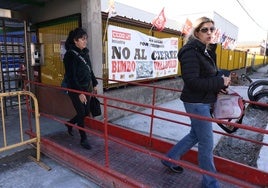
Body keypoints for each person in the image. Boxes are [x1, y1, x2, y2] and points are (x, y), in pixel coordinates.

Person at [161, 17, 231, 188]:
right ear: (196, 32)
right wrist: (220, 83)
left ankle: (169, 159)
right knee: (206, 143)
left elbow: (207, 76)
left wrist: (219, 85)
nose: (209, 33)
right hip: (197, 102)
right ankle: (210, 183)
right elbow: (193, 81)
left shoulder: (205, 51)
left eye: (212, 29)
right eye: (205, 29)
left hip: (204, 100)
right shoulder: (190, 52)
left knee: (195, 135)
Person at [63, 27, 98, 150]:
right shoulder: (69, 55)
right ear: (75, 40)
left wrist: (94, 83)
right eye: (82, 39)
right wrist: (79, 93)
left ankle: (70, 123)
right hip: (75, 89)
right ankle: (83, 139)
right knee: (82, 113)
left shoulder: (85, 53)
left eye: (86, 39)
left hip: (87, 88)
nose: (85, 41)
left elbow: (90, 70)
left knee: (85, 113)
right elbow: (71, 76)